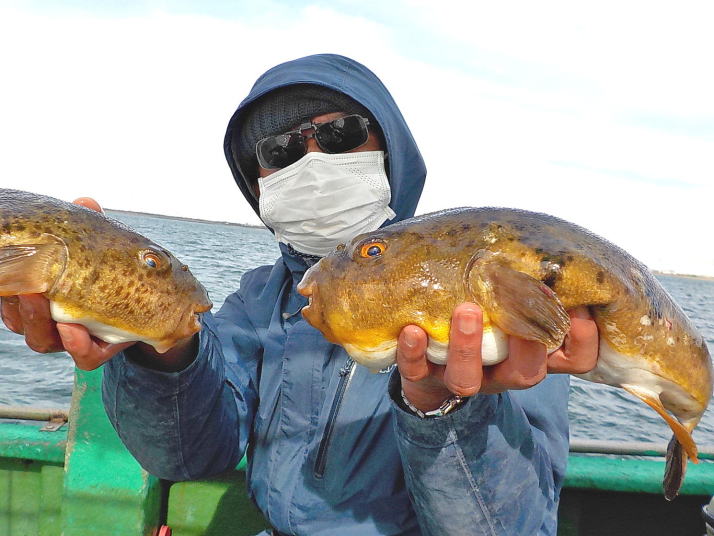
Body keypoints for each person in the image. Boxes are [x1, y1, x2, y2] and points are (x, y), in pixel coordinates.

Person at [1, 54, 599, 535]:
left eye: (341, 133)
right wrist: (152, 345)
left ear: (389, 147)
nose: (312, 159)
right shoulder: (258, 300)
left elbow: (509, 526)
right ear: (258, 182)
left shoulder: (489, 291)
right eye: (278, 151)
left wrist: (445, 407)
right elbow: (188, 456)